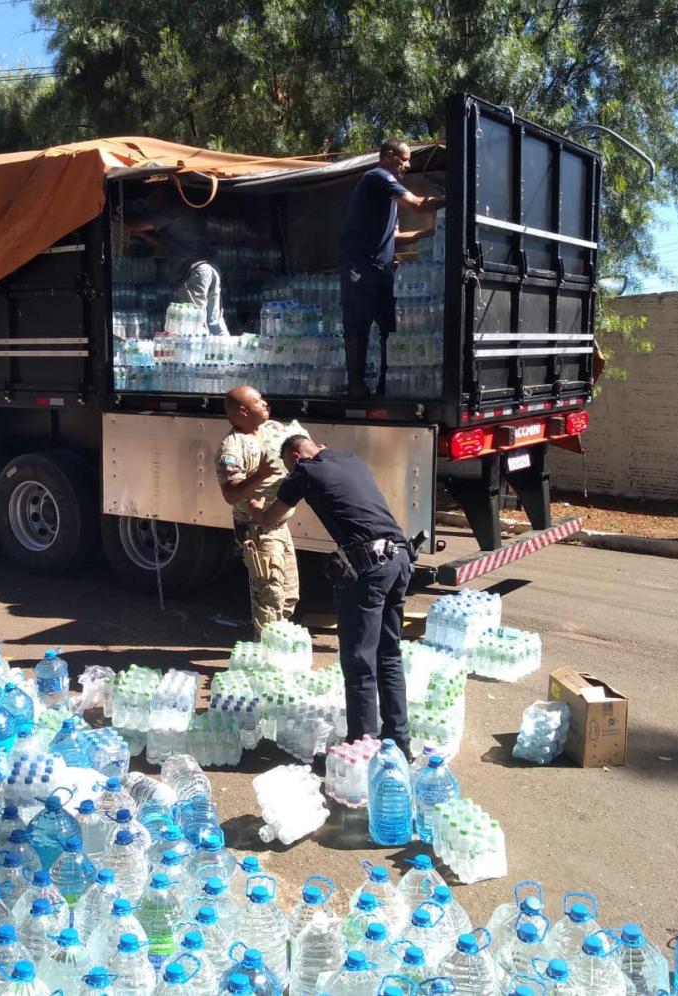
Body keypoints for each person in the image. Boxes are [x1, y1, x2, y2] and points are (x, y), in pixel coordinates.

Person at [249, 434, 411, 754]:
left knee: (359, 661)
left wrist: (253, 506)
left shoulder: (304, 472)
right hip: (400, 557)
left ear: (295, 457)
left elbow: (271, 516)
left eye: (288, 465)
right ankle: (399, 740)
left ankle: (362, 750)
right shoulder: (349, 458)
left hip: (369, 569)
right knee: (388, 655)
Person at [338, 138, 444, 397]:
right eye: (404, 159)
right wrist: (452, 198)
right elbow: (417, 204)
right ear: (387, 156)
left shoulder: (389, 196)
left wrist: (429, 232)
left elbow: (394, 237)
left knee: (389, 327)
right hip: (359, 266)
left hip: (380, 268)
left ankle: (387, 384)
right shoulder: (378, 177)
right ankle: (356, 386)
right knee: (358, 326)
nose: (407, 165)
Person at [215, 385, 299, 637]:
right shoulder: (232, 447)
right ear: (242, 410)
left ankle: (281, 648)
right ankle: (266, 658)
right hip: (258, 531)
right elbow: (230, 494)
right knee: (269, 599)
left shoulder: (270, 430)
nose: (265, 404)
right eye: (258, 401)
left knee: (288, 595)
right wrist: (260, 475)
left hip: (279, 527)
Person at [126, 181, 230, 335]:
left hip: (193, 271)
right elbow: (164, 244)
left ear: (160, 192)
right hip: (208, 268)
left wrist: (124, 224)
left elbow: (139, 224)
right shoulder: (180, 212)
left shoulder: (173, 208)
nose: (148, 203)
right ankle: (225, 352)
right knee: (214, 320)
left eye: (150, 197)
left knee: (195, 322)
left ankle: (199, 357)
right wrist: (141, 234)